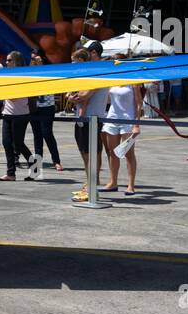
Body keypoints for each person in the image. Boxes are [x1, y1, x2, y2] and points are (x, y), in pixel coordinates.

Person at [65, 48, 106, 201]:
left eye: (74, 61)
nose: (72, 64)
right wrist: (73, 96)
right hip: (81, 120)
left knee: (91, 156)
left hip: (92, 120)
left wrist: (74, 96)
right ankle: (88, 185)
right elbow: (68, 93)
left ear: (82, 61)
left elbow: (84, 95)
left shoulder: (95, 75)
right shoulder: (81, 76)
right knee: (85, 155)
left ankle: (92, 189)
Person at [0, 51, 37, 182]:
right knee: (7, 143)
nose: (6, 63)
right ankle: (10, 173)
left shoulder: (22, 76)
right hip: (8, 114)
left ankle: (35, 167)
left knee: (18, 144)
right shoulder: (8, 75)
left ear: (16, 61)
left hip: (20, 114)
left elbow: (14, 96)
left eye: (9, 60)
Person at [101, 81, 143, 195]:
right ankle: (113, 182)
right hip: (112, 118)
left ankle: (131, 185)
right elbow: (109, 99)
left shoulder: (133, 83)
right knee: (112, 152)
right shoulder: (113, 80)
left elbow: (139, 103)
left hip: (128, 120)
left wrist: (136, 124)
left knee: (128, 153)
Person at [29, 51, 63, 171]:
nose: (33, 60)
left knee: (47, 133)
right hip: (34, 107)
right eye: (32, 58)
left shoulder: (49, 70)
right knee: (37, 135)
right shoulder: (29, 72)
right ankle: (38, 161)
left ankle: (56, 160)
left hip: (47, 106)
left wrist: (41, 67)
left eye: (35, 58)